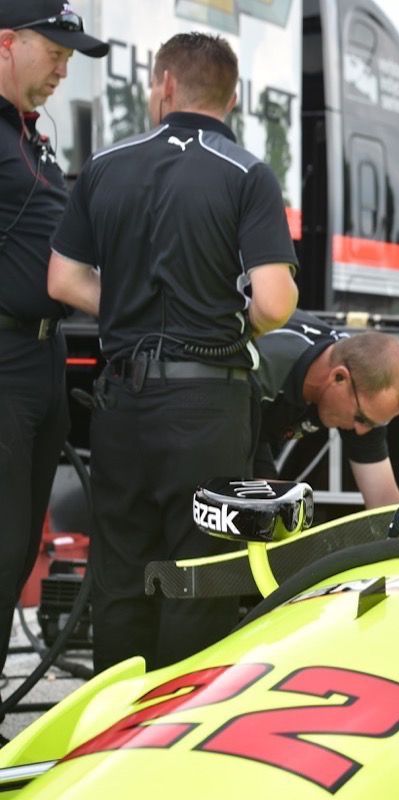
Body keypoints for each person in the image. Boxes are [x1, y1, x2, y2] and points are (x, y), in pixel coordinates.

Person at [46, 32, 298, 671]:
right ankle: (181, 741)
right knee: (201, 577)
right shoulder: (246, 173)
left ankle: (110, 742)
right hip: (207, 402)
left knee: (121, 576)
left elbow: (62, 280)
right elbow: (272, 302)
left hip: (122, 404)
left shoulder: (106, 166)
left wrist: (127, 309)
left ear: (162, 85)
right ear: (232, 97)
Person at [0, 2, 108, 680]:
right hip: (5, 362)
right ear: (6, 43)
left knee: (14, 554)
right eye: (55, 52)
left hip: (39, 361)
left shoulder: (27, 135)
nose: (64, 69)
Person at [254, 310, 399, 509]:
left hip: (256, 429)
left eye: (376, 423)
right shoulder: (266, 364)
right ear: (339, 378)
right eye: (362, 418)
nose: (361, 431)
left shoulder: (365, 384)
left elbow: (384, 507)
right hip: (222, 400)